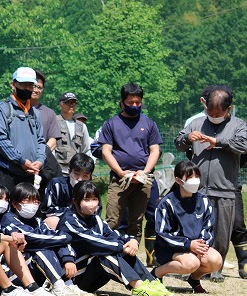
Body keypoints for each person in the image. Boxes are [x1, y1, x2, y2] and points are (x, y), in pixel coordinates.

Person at [174, 87, 247, 282]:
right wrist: (187, 138)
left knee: (222, 232)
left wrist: (217, 141)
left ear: (228, 109)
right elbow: (178, 143)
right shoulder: (196, 123)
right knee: (195, 230)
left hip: (225, 188)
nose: (213, 116)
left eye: (218, 113)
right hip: (196, 189)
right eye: (210, 112)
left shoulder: (238, 125)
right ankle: (193, 268)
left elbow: (242, 145)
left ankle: (216, 269)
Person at [57, 180, 173, 296]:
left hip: (90, 275)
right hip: (72, 279)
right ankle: (138, 287)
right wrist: (121, 246)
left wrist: (131, 240)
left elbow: (112, 234)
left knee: (120, 249)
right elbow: (94, 242)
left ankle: (151, 282)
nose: (91, 204)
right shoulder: (69, 222)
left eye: (94, 199)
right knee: (105, 252)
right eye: (86, 200)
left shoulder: (95, 219)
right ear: (75, 201)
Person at [1, 183, 93, 296]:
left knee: (50, 244)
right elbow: (31, 238)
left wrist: (68, 258)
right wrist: (65, 237)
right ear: (14, 203)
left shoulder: (38, 222)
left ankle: (67, 285)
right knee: (41, 248)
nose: (32, 205)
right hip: (13, 275)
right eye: (27, 201)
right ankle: (59, 286)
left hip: (33, 275)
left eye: (36, 202)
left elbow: (53, 238)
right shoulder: (8, 218)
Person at [99, 82, 160, 241]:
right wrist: (120, 172)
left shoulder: (149, 124)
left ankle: (132, 260)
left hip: (143, 179)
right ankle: (107, 255)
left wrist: (145, 172)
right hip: (119, 179)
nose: (134, 106)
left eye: (138, 103)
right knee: (112, 220)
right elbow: (106, 151)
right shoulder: (111, 124)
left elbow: (155, 150)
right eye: (130, 103)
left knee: (136, 222)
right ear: (122, 103)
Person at [151, 161, 222, 293]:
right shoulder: (166, 203)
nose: (195, 181)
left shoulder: (204, 201)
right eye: (189, 177)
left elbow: (209, 228)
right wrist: (188, 245)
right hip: (169, 250)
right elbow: (162, 233)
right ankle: (157, 272)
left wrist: (201, 245)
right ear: (178, 180)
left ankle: (194, 279)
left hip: (195, 248)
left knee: (216, 260)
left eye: (197, 176)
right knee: (192, 263)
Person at [0, 66, 46, 192]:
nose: (27, 88)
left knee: (26, 210)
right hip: (6, 172)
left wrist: (40, 160)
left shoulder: (35, 113)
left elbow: (41, 140)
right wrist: (20, 161)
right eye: (23, 84)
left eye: (30, 85)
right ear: (13, 84)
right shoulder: (2, 108)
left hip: (29, 173)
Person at [41, 153, 95, 230]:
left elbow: (96, 211)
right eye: (76, 174)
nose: (80, 179)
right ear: (69, 171)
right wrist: (75, 212)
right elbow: (47, 209)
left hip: (84, 223)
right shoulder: (56, 184)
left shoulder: (92, 190)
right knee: (52, 221)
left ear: (90, 176)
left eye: (85, 176)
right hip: (61, 221)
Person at [31, 69, 62, 191]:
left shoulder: (49, 113)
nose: (36, 90)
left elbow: (53, 140)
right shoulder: (14, 110)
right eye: (34, 86)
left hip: (42, 166)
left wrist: (40, 157)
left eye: (40, 87)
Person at [55, 92, 93, 174]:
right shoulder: (54, 122)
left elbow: (86, 149)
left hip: (76, 172)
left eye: (74, 103)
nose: (72, 105)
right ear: (61, 104)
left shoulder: (82, 126)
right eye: (68, 103)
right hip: (58, 170)